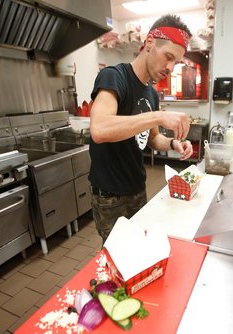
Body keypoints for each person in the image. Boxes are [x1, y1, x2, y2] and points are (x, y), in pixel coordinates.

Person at [88, 14, 194, 243]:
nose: (170, 67)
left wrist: (174, 143)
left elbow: (152, 139)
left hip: (137, 188)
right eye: (168, 57)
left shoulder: (151, 94)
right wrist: (158, 115)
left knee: (139, 249)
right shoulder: (114, 77)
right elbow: (99, 128)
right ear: (149, 44)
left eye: (176, 62)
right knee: (118, 256)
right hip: (110, 195)